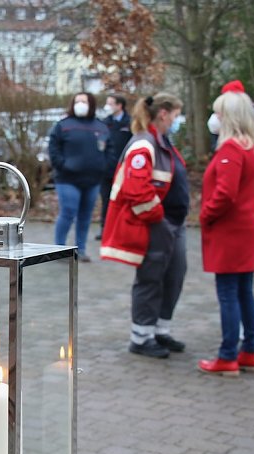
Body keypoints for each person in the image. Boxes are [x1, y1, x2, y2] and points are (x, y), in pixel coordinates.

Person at [100, 93, 189, 359]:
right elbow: (136, 190)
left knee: (173, 276)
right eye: (174, 115)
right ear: (163, 113)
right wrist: (158, 219)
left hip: (172, 223)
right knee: (151, 279)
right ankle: (141, 337)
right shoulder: (144, 145)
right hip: (157, 224)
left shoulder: (161, 141)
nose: (176, 120)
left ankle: (160, 330)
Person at [198, 89, 254, 376]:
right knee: (244, 292)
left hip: (231, 230)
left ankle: (228, 354)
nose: (215, 118)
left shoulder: (231, 150)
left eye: (219, 113)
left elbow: (226, 193)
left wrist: (206, 214)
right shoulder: (253, 147)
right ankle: (249, 350)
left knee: (228, 294)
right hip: (248, 227)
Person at [48, 92, 110, 262]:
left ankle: (80, 249)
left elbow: (109, 150)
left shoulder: (101, 127)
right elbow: (53, 148)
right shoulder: (63, 126)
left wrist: (103, 167)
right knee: (68, 212)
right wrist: (62, 165)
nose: (81, 104)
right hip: (67, 179)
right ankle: (59, 250)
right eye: (78, 101)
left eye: (84, 101)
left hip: (92, 179)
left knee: (85, 215)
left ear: (91, 104)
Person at [97, 93, 132, 240]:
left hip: (125, 168)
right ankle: (105, 229)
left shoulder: (129, 123)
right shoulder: (105, 123)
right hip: (108, 169)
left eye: (111, 103)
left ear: (120, 106)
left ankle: (124, 229)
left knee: (124, 199)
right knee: (106, 199)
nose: (108, 106)